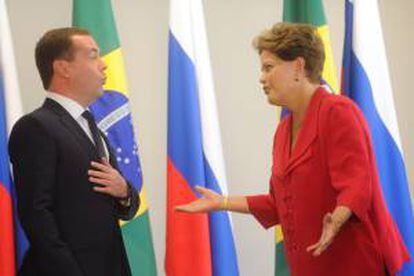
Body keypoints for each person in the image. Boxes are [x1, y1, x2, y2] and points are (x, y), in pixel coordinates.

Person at [176, 22, 409, 275]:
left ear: (298, 66)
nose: (261, 77)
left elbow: (356, 185)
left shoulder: (338, 112)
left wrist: (337, 219)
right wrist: (221, 202)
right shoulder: (283, 130)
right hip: (310, 266)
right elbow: (280, 204)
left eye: (268, 67)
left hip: (351, 263)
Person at [8, 27, 139, 276]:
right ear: (63, 68)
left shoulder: (94, 128)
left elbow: (125, 208)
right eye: (93, 55)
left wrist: (124, 191)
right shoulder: (35, 127)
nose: (104, 65)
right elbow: (37, 217)